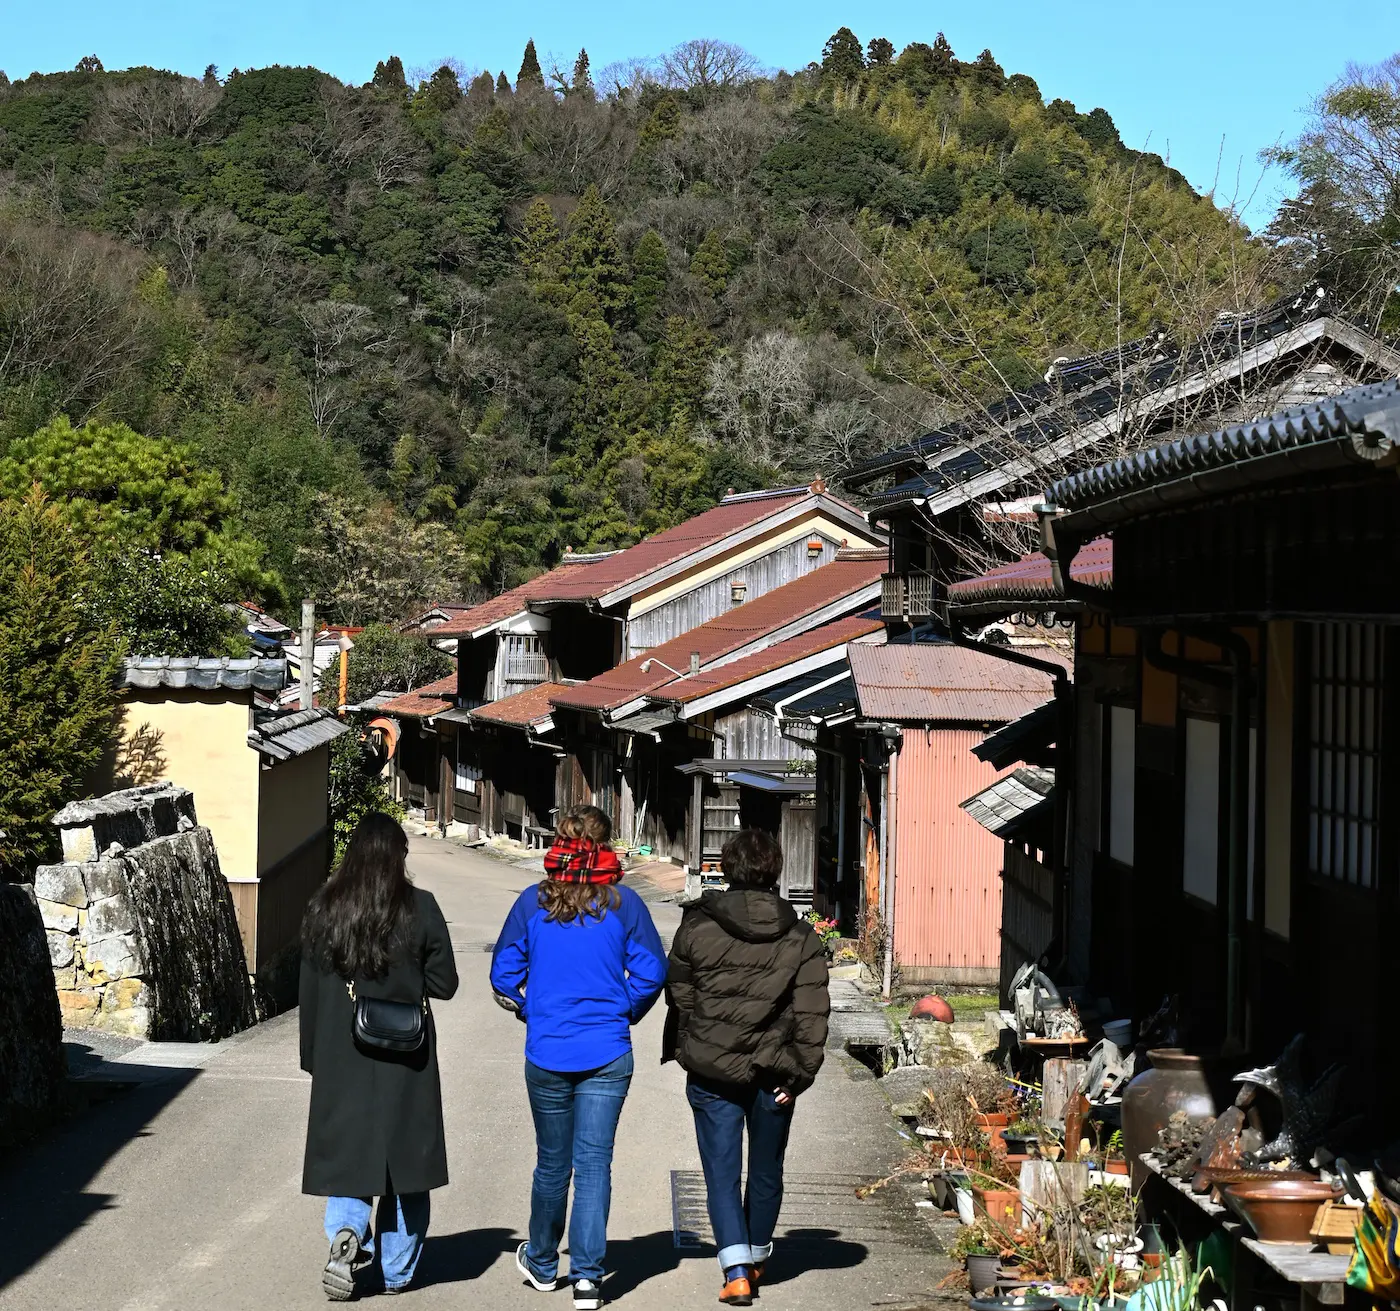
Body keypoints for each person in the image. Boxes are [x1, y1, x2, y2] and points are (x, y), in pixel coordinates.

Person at [491, 805, 667, 1311]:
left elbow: (504, 975)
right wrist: (624, 1009)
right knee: (593, 1164)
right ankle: (588, 1279)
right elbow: (652, 972)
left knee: (552, 1163)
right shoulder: (625, 904)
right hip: (608, 1049)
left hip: (547, 1049)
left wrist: (530, 1008)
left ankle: (544, 1263)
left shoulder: (533, 902)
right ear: (606, 844)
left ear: (560, 842)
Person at [663, 829, 831, 1307]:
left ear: (726, 869)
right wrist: (800, 1073)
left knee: (721, 1173)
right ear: (775, 871)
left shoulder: (697, 925)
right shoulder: (801, 936)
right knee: (766, 1169)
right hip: (775, 1071)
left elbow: (680, 991)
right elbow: (813, 1012)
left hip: (711, 1069)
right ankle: (756, 1257)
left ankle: (736, 1271)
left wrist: (697, 1039)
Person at [299, 812, 459, 1300]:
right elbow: (445, 985)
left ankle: (347, 1233)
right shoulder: (420, 907)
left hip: (341, 1054)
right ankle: (395, 1271)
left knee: (351, 1155)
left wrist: (314, 1059)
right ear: (397, 858)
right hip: (406, 1056)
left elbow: (308, 992)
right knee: (408, 1163)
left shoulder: (323, 908)